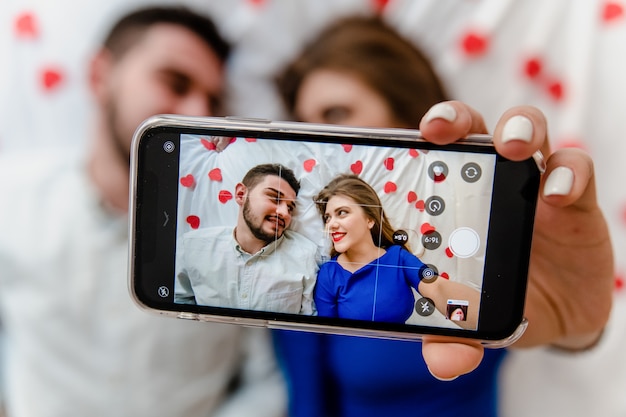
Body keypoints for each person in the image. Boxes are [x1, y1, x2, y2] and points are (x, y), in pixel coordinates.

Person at [271, 15, 613, 417]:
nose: (319, 143)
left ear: (407, 114)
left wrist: (579, 329)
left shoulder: (467, 229)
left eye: (335, 114)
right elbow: (306, 403)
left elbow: (544, 317)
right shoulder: (309, 266)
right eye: (304, 126)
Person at [0, 6, 286, 417]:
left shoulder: (243, 241)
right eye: (175, 82)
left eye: (213, 100)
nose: (198, 116)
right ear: (100, 75)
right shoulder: (13, 203)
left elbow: (267, 382)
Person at [313, 174, 480, 328]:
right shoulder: (329, 274)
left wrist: (480, 321)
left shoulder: (398, 258)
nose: (331, 225)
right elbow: (327, 335)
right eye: (327, 217)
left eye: (342, 213)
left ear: (370, 219)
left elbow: (437, 290)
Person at [175, 163, 319, 314]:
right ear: (241, 194)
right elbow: (177, 305)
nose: (284, 213)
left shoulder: (306, 256)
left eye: (290, 207)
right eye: (274, 198)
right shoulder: (191, 247)